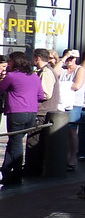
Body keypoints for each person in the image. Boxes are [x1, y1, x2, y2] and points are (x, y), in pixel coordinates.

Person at [0, 52, 45, 186]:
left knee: (16, 142)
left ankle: (17, 174)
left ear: (15, 62)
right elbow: (41, 95)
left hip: (16, 112)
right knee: (15, 141)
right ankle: (6, 170)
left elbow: (1, 89)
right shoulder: (34, 76)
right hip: (31, 112)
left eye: (10, 62)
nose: (8, 64)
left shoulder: (12, 76)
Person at [23, 49, 60, 176]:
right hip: (42, 111)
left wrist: (29, 95)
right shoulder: (44, 71)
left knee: (34, 141)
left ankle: (32, 170)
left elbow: (45, 93)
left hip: (42, 112)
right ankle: (33, 168)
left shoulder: (46, 72)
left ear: (37, 58)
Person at [57, 49, 85, 170]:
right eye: (68, 58)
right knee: (60, 130)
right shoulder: (62, 69)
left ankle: (72, 156)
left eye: (72, 58)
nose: (69, 61)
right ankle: (62, 156)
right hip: (61, 103)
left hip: (74, 103)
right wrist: (62, 59)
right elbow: (54, 73)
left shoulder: (80, 69)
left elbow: (76, 85)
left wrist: (61, 85)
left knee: (71, 130)